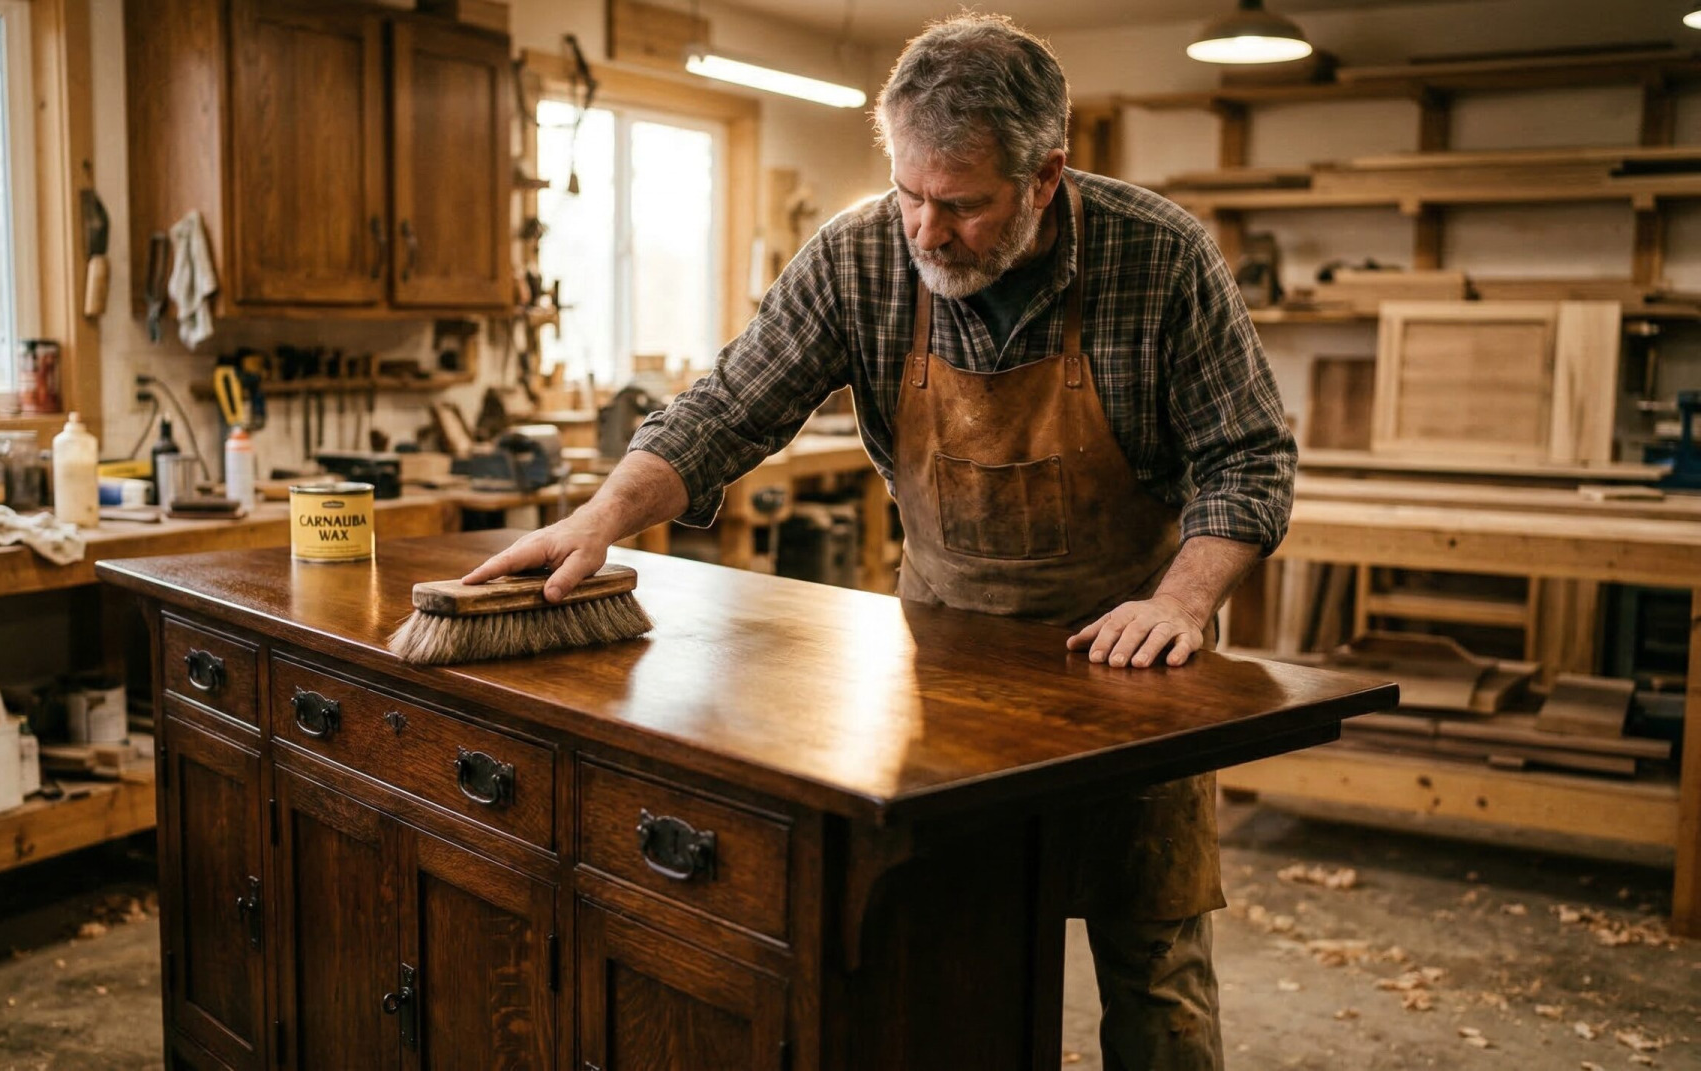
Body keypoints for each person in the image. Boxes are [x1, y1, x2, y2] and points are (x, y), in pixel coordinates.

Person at [465, 13, 1295, 1068]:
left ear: (1046, 178)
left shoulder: (1160, 258)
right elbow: (727, 408)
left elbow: (1249, 456)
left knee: (1156, 973)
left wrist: (1181, 601)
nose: (927, 229)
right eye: (909, 192)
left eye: (962, 204)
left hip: (1130, 668)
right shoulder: (859, 256)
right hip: (947, 672)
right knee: (945, 955)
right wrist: (594, 518)